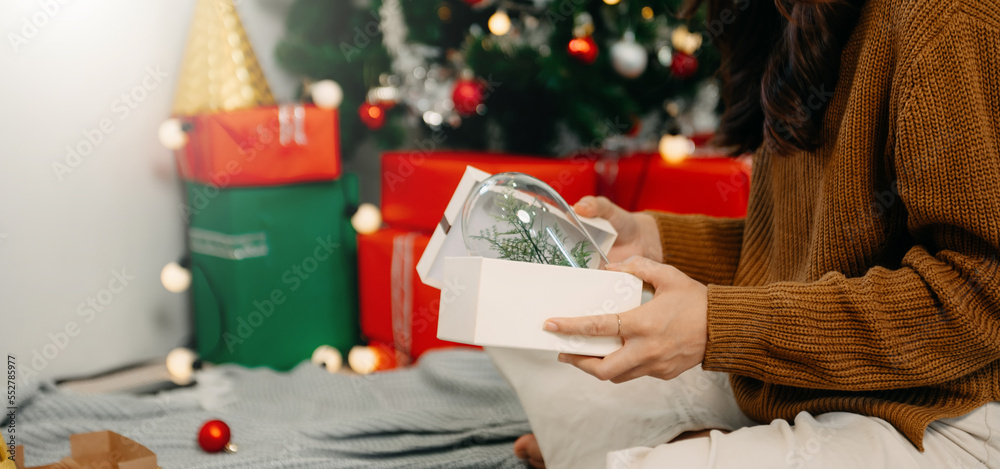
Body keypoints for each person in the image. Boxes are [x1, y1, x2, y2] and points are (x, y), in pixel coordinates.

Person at [513, 0, 1000, 467]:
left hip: (948, 410)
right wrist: (650, 239)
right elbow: (805, 250)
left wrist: (720, 327)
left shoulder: (944, 15)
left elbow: (980, 296)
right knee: (533, 327)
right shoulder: (791, 16)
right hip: (814, 380)